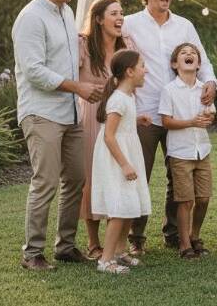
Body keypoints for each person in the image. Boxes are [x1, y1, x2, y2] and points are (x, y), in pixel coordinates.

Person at [13, 0, 101, 271]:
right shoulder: (30, 18)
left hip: (70, 114)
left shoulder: (66, 12)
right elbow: (34, 71)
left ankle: (65, 246)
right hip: (41, 114)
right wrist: (77, 88)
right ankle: (32, 253)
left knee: (76, 178)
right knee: (46, 181)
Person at [122, 0, 217, 255]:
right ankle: (135, 236)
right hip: (146, 113)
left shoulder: (184, 25)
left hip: (181, 114)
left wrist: (211, 82)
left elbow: (204, 60)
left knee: (179, 175)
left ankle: (175, 233)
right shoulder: (129, 24)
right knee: (140, 174)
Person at [91, 49, 152, 274]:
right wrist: (125, 164)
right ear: (129, 71)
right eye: (142, 66)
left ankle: (119, 251)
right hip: (116, 157)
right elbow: (109, 135)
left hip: (126, 150)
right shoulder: (117, 99)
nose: (146, 70)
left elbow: (121, 125)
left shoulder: (127, 97)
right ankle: (105, 260)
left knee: (130, 205)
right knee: (119, 207)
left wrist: (136, 120)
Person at [78, 0, 129, 260]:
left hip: (120, 118)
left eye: (121, 13)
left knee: (118, 174)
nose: (120, 18)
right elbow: (70, 78)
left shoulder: (127, 45)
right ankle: (93, 243)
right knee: (92, 176)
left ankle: (118, 243)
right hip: (92, 118)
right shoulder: (83, 45)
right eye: (113, 13)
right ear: (98, 19)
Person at [159, 43, 216, 259]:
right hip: (180, 152)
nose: (189, 54)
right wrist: (191, 122)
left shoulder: (204, 89)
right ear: (175, 64)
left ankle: (194, 236)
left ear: (198, 64)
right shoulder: (169, 90)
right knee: (185, 200)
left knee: (203, 198)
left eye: (193, 53)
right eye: (183, 53)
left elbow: (210, 114)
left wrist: (209, 118)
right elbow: (165, 121)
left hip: (202, 150)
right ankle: (184, 245)